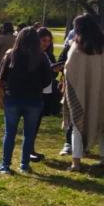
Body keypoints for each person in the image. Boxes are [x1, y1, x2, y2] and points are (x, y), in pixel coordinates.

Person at [62, 14, 104, 172]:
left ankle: (76, 162)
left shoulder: (78, 45)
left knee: (78, 125)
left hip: (82, 92)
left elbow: (69, 69)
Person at [0, 27, 55, 174]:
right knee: (29, 134)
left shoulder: (11, 55)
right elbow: (48, 79)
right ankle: (24, 164)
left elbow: (2, 76)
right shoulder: (41, 57)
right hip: (34, 100)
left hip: (13, 98)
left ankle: (5, 164)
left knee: (10, 133)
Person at [29, 27, 61, 162]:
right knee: (32, 124)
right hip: (35, 93)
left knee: (36, 124)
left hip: (44, 93)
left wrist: (54, 69)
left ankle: (31, 149)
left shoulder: (46, 54)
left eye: (48, 41)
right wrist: (51, 70)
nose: (46, 43)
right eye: (43, 40)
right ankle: (28, 151)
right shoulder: (33, 54)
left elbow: (50, 74)